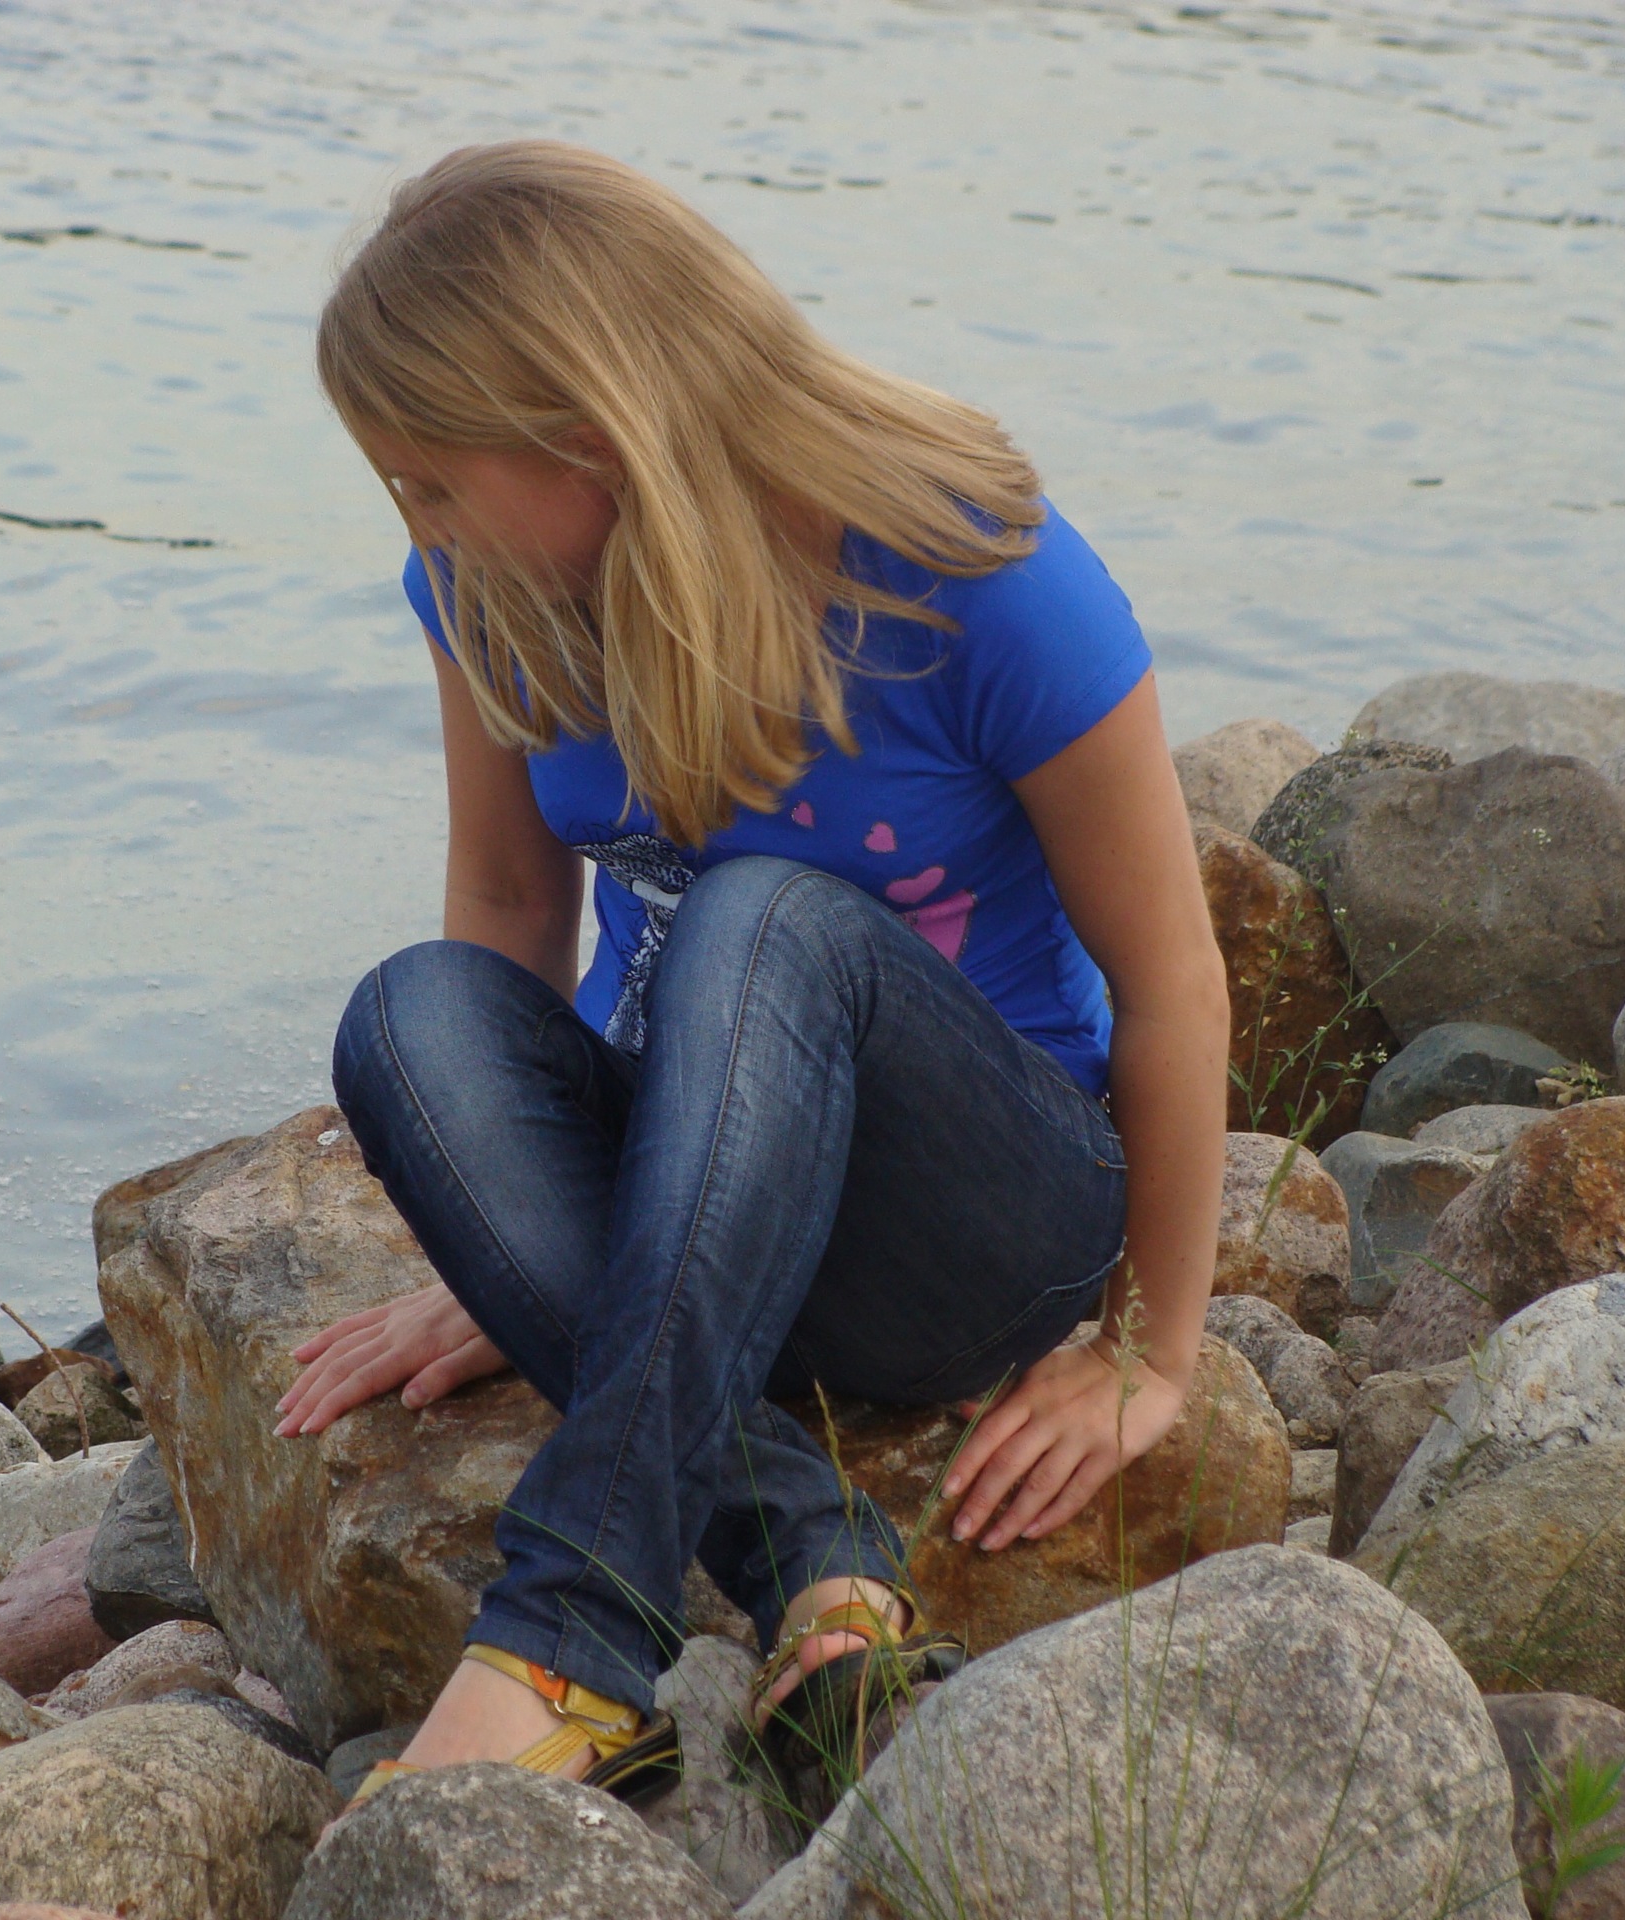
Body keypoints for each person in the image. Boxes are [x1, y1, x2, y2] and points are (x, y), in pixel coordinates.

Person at [275, 140, 1228, 1820]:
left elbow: (1173, 980)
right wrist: (522, 1236)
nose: (416, 532)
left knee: (762, 915)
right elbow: (507, 903)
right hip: (697, 1203)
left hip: (974, 1222)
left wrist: (1155, 1353)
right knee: (408, 1016)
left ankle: (564, 1642)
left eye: (429, 484)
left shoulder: (975, 567)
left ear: (587, 434)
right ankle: (814, 1563)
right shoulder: (489, 593)